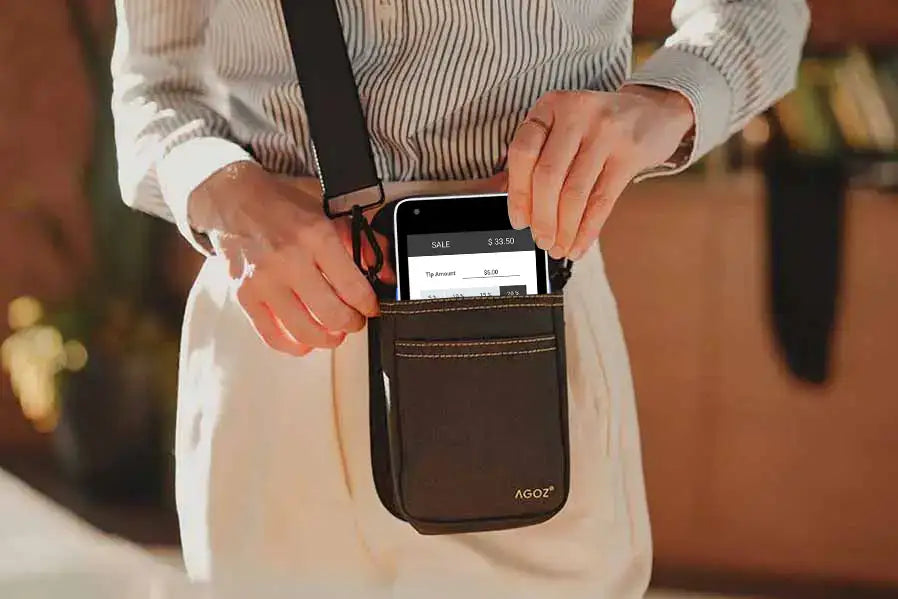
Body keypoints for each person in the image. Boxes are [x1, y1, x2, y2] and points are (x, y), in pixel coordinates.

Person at [111, 1, 809, 596]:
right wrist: (225, 192)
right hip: (280, 340)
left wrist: (660, 105)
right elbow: (153, 87)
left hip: (523, 345)